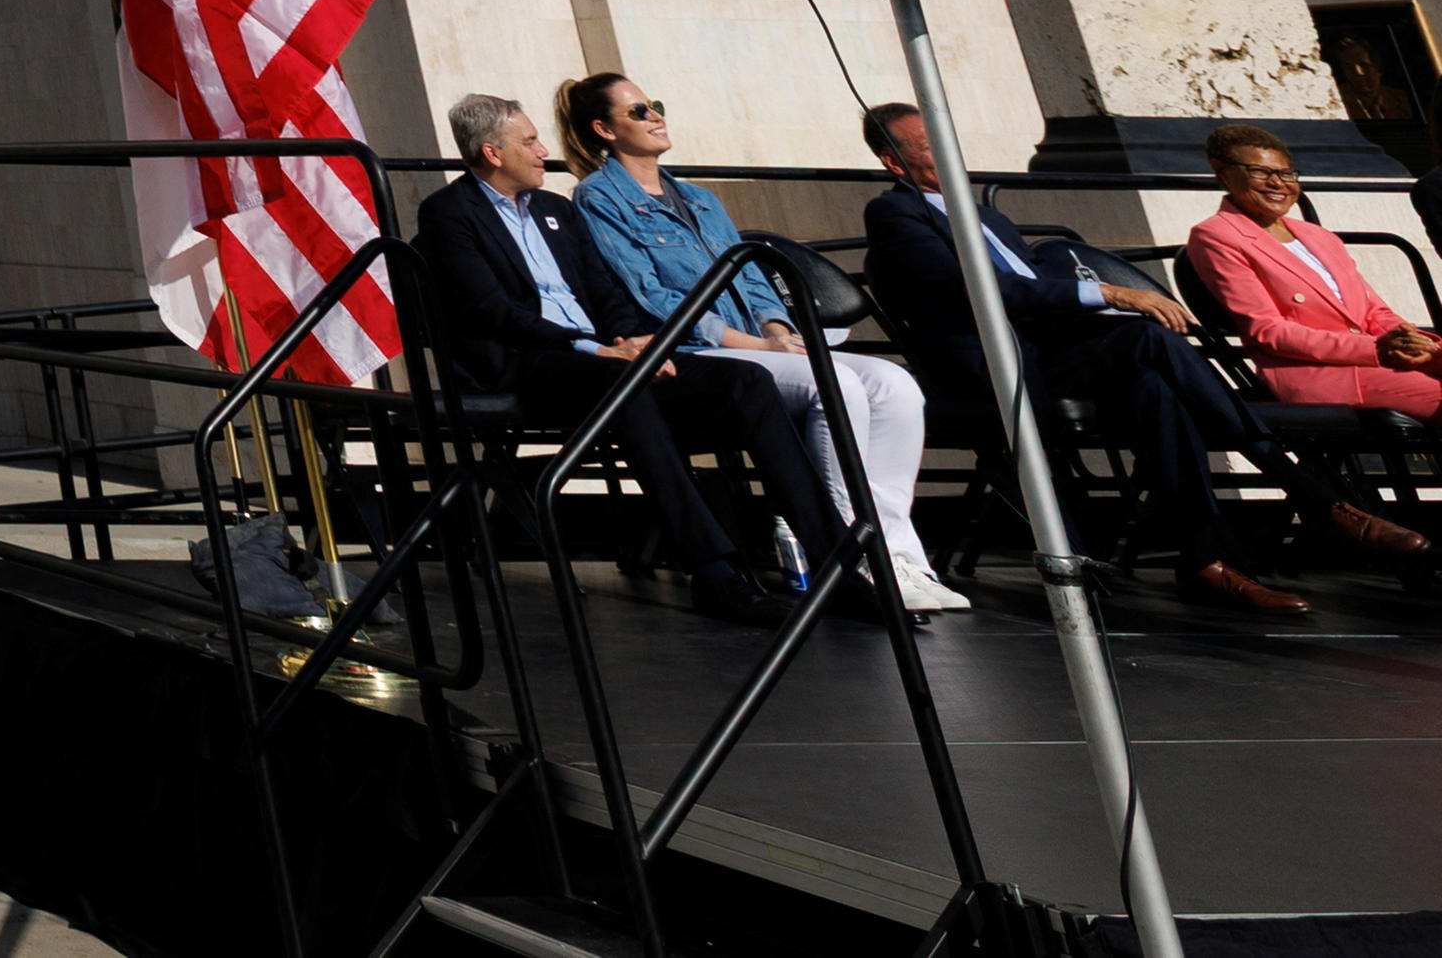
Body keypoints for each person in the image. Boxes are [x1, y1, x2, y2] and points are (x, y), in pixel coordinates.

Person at [857, 101, 1406, 616]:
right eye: (930, 145)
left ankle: (1206, 562)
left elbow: (1037, 283)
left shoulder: (987, 217)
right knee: (1149, 339)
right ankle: (1306, 493)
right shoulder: (895, 215)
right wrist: (1113, 295)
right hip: (996, 362)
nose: (948, 150)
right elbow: (982, 290)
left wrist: (1100, 309)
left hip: (1052, 346)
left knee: (1155, 385)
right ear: (894, 161)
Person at [411, 94, 850, 626]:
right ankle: (715, 572)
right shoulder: (449, 213)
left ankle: (838, 565)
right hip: (528, 360)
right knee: (625, 384)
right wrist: (596, 346)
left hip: (607, 354)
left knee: (747, 381)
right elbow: (492, 311)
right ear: (493, 153)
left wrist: (639, 338)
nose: (543, 150)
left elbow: (605, 288)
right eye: (529, 142)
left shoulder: (556, 210)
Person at [556, 73, 968, 612]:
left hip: (758, 342)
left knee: (895, 386)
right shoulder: (598, 198)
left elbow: (750, 278)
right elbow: (650, 295)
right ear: (602, 129)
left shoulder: (699, 198)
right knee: (836, 386)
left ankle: (897, 550)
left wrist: (777, 330)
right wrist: (754, 346)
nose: (655, 116)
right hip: (702, 351)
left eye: (655, 105)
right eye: (638, 112)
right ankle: (852, 554)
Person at [1187, 126, 1442, 421]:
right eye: (1259, 172)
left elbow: (1374, 311)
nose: (1277, 183)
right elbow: (1267, 331)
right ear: (1223, 173)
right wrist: (1374, 349)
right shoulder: (1217, 235)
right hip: (1319, 374)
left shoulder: (1318, 236)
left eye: (1286, 174)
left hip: (1379, 359)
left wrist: (1415, 343)